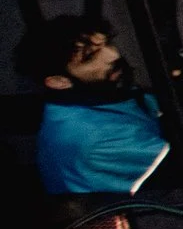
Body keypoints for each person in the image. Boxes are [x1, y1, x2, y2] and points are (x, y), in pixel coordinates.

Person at [17, 17, 168, 195]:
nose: (113, 55)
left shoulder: (98, 95)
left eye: (108, 43)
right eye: (90, 57)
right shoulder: (93, 137)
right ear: (58, 81)